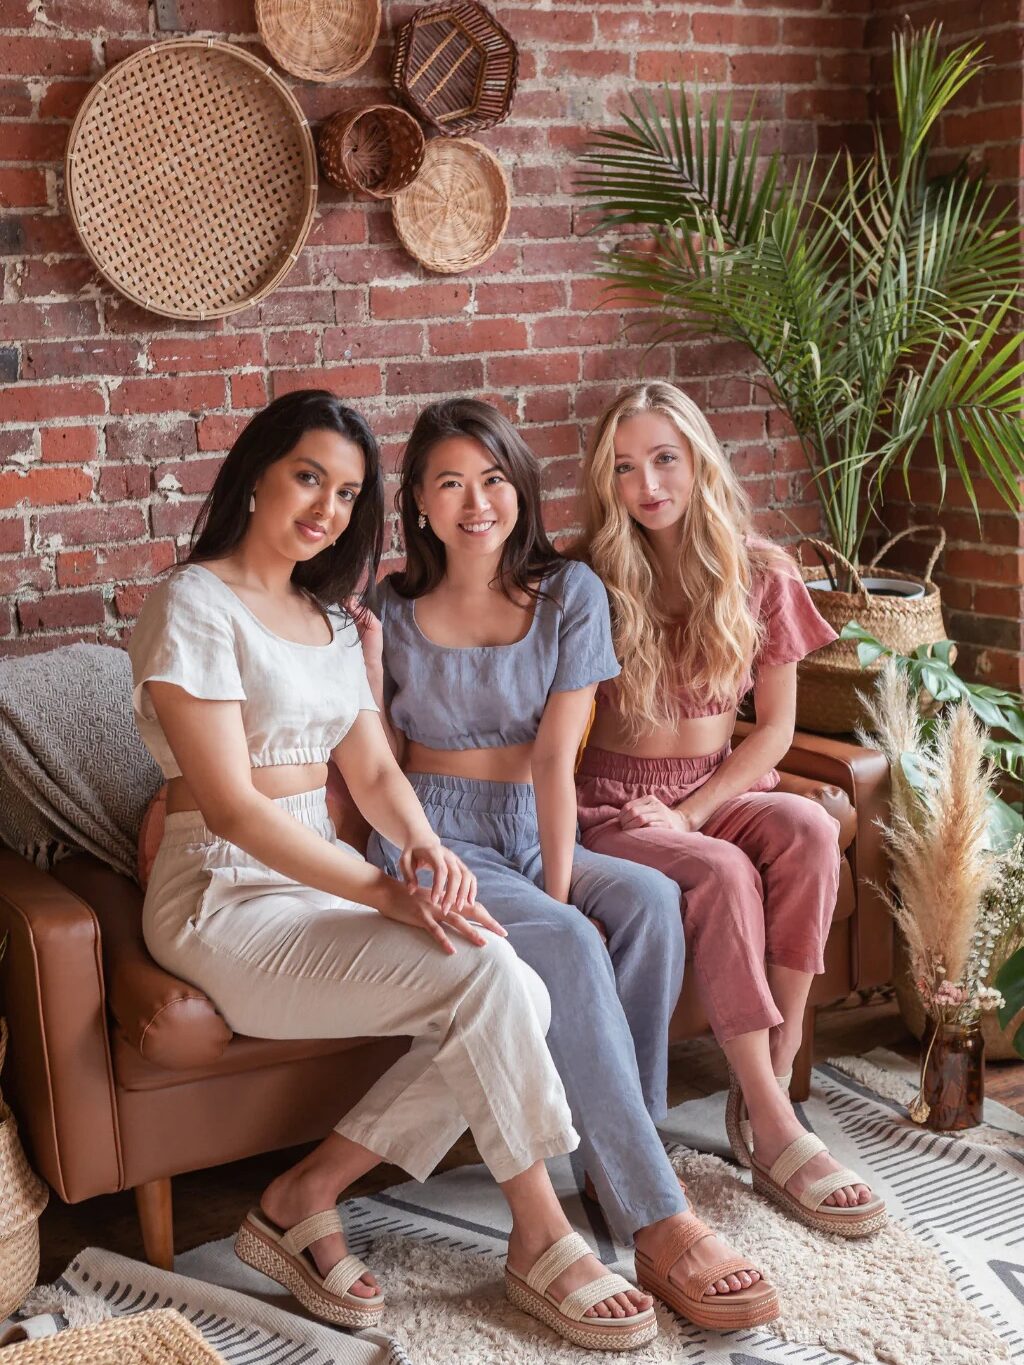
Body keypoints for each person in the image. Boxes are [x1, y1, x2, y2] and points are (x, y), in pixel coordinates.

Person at [128, 390, 657, 1352]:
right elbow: (234, 806)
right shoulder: (191, 603)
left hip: (317, 875)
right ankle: (543, 1236)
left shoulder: (330, 621)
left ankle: (305, 1191)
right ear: (254, 477)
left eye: (346, 493)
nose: (327, 508)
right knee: (491, 979)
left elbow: (374, 771)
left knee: (516, 982)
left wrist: (426, 851)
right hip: (221, 891)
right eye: (308, 478)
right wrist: (382, 889)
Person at [367, 396, 779, 1331]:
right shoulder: (389, 610)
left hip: (529, 819)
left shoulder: (570, 593)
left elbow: (557, 761)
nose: (477, 502)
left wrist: (557, 890)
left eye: (494, 479)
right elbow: (375, 756)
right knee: (571, 937)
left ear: (520, 487)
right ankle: (658, 1215)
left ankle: (614, 1159)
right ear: (419, 502)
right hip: (432, 833)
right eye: (450, 484)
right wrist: (551, 914)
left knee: (648, 901)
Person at [573, 381, 887, 1237]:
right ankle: (775, 1122)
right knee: (720, 871)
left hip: (715, 785)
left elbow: (775, 728)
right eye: (625, 467)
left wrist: (696, 808)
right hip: (617, 802)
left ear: (700, 459)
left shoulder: (761, 571)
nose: (647, 485)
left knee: (813, 828)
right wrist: (673, 821)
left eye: (664, 459)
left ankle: (769, 1085)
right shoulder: (588, 574)